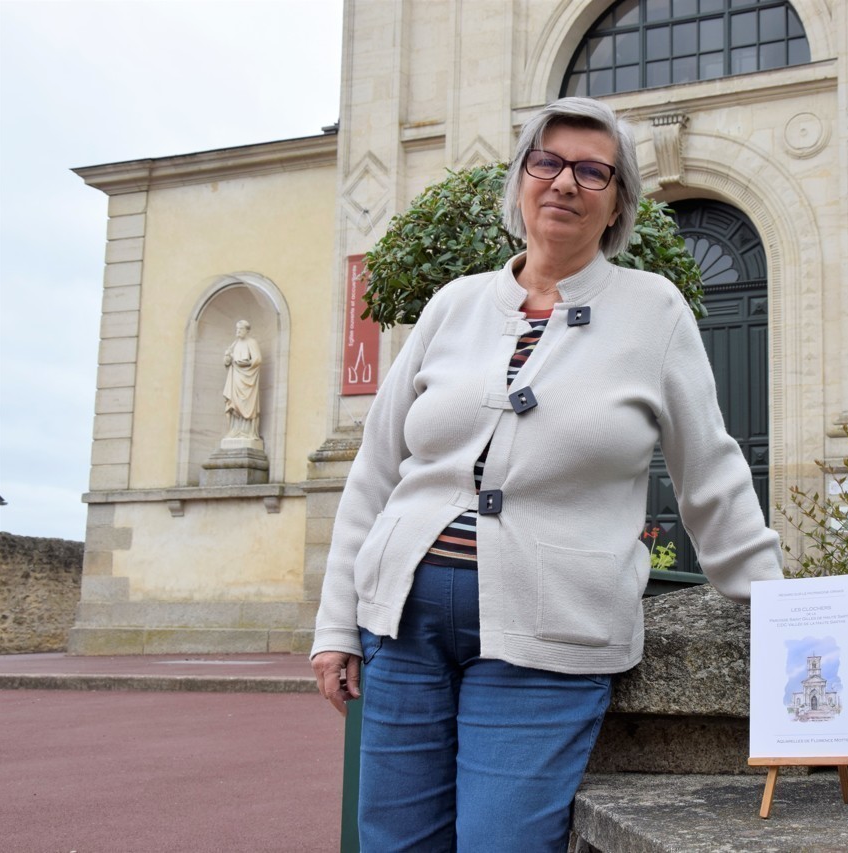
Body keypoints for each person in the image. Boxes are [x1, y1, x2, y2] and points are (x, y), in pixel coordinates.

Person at [310, 96, 783, 852]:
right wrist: (336, 622)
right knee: (394, 841)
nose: (565, 182)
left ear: (618, 201)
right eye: (548, 161)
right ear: (522, 180)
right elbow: (375, 468)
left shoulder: (653, 310)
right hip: (400, 626)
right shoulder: (453, 304)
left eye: (592, 171)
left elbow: (713, 473)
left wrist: (783, 609)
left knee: (503, 842)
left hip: (548, 635)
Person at [221, 319, 262, 440]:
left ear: (247, 330)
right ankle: (235, 430)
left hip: (247, 378)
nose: (238, 331)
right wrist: (227, 357)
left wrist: (245, 363)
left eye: (240, 329)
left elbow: (258, 359)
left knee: (247, 403)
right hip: (235, 378)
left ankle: (247, 431)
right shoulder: (235, 344)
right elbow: (227, 362)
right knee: (233, 404)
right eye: (237, 329)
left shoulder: (252, 342)